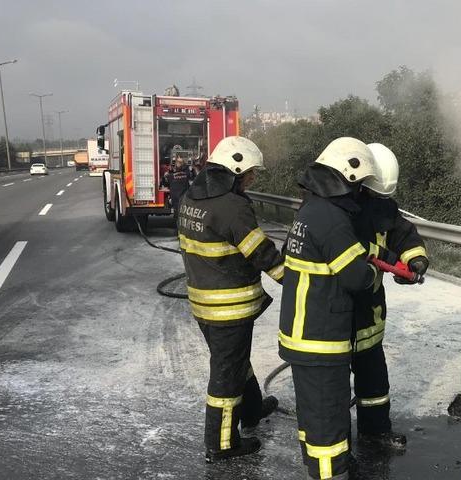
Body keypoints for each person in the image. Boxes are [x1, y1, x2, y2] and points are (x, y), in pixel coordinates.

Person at [278, 137, 393, 480]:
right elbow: (357, 277)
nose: (359, 193)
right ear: (347, 176)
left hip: (303, 337)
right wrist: (376, 266)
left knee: (314, 419)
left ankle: (320, 465)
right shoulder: (331, 218)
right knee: (328, 423)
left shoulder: (310, 209)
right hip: (321, 340)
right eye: (358, 184)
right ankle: (332, 471)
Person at [177, 136, 281, 463]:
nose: (252, 179)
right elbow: (261, 254)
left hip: (203, 303)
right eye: (249, 173)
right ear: (234, 171)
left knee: (235, 361)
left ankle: (251, 410)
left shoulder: (192, 198)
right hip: (229, 308)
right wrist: (294, 279)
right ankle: (221, 444)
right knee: (225, 376)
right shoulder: (233, 208)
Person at [351, 143, 428, 452]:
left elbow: (405, 235)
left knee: (374, 377)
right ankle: (333, 441)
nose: (377, 202)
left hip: (369, 310)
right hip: (338, 311)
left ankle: (375, 430)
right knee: (330, 385)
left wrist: (415, 261)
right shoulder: (338, 211)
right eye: (374, 194)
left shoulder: (384, 208)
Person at [163, 153, 196, 225]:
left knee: (177, 216)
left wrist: (167, 173)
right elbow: (193, 176)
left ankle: (178, 231)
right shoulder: (186, 175)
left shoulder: (170, 176)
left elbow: (165, 184)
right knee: (185, 216)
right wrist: (191, 168)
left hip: (175, 201)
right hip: (184, 200)